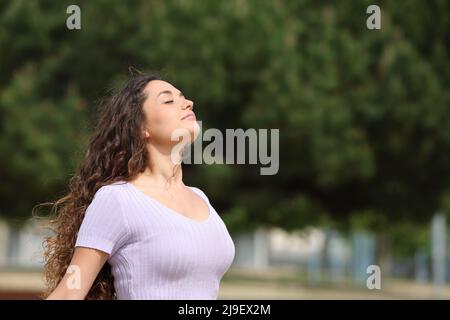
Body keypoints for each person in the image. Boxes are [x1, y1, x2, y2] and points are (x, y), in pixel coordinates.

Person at [42, 73, 235, 299]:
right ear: (141, 127)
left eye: (183, 97)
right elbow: (69, 292)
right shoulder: (117, 199)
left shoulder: (201, 198)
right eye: (168, 100)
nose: (188, 103)